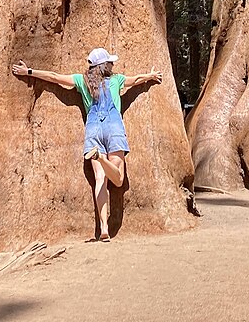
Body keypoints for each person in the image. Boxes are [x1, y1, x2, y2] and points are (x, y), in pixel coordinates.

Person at [12, 48, 162, 241]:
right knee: (118, 180)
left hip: (93, 130)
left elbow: (54, 77)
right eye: (110, 62)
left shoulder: (82, 81)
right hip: (114, 126)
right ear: (105, 65)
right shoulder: (116, 80)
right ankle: (100, 157)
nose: (113, 64)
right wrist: (150, 76)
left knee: (100, 179)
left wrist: (29, 72)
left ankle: (103, 228)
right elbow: (136, 80)